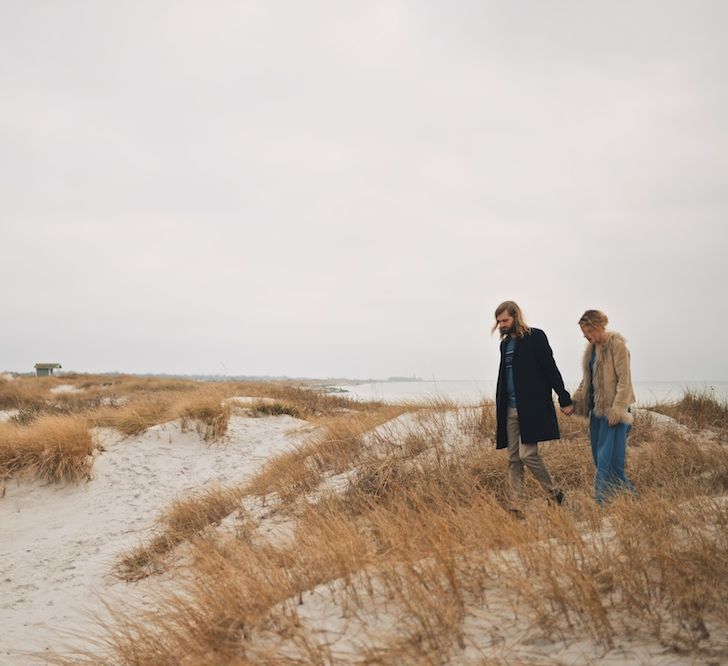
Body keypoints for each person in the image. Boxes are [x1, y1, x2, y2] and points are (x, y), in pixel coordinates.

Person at [493, 301, 573, 508]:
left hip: (531, 407)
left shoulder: (535, 337)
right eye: (498, 321)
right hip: (508, 408)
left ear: (516, 317)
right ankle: (515, 504)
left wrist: (564, 398)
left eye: (505, 320)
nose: (501, 324)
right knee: (513, 459)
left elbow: (550, 368)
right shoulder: (504, 344)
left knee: (527, 454)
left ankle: (555, 493)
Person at [571, 309, 636, 504]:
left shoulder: (617, 346)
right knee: (599, 457)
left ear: (598, 327)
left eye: (587, 331)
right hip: (596, 412)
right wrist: (576, 400)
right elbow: (587, 380)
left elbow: (625, 380)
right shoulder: (591, 350)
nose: (584, 336)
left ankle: (603, 500)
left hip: (614, 411)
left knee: (609, 458)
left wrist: (617, 410)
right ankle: (626, 495)